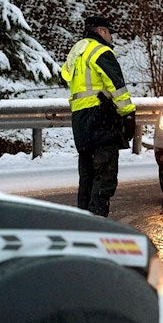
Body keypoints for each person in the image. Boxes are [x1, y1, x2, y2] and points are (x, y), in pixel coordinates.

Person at [61, 16, 137, 216]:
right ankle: (97, 223)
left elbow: (65, 74)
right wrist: (128, 115)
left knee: (87, 176)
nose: (111, 38)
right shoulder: (101, 51)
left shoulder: (77, 51)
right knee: (104, 176)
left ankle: (84, 220)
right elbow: (117, 87)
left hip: (80, 121)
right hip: (101, 119)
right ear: (102, 31)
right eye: (110, 33)